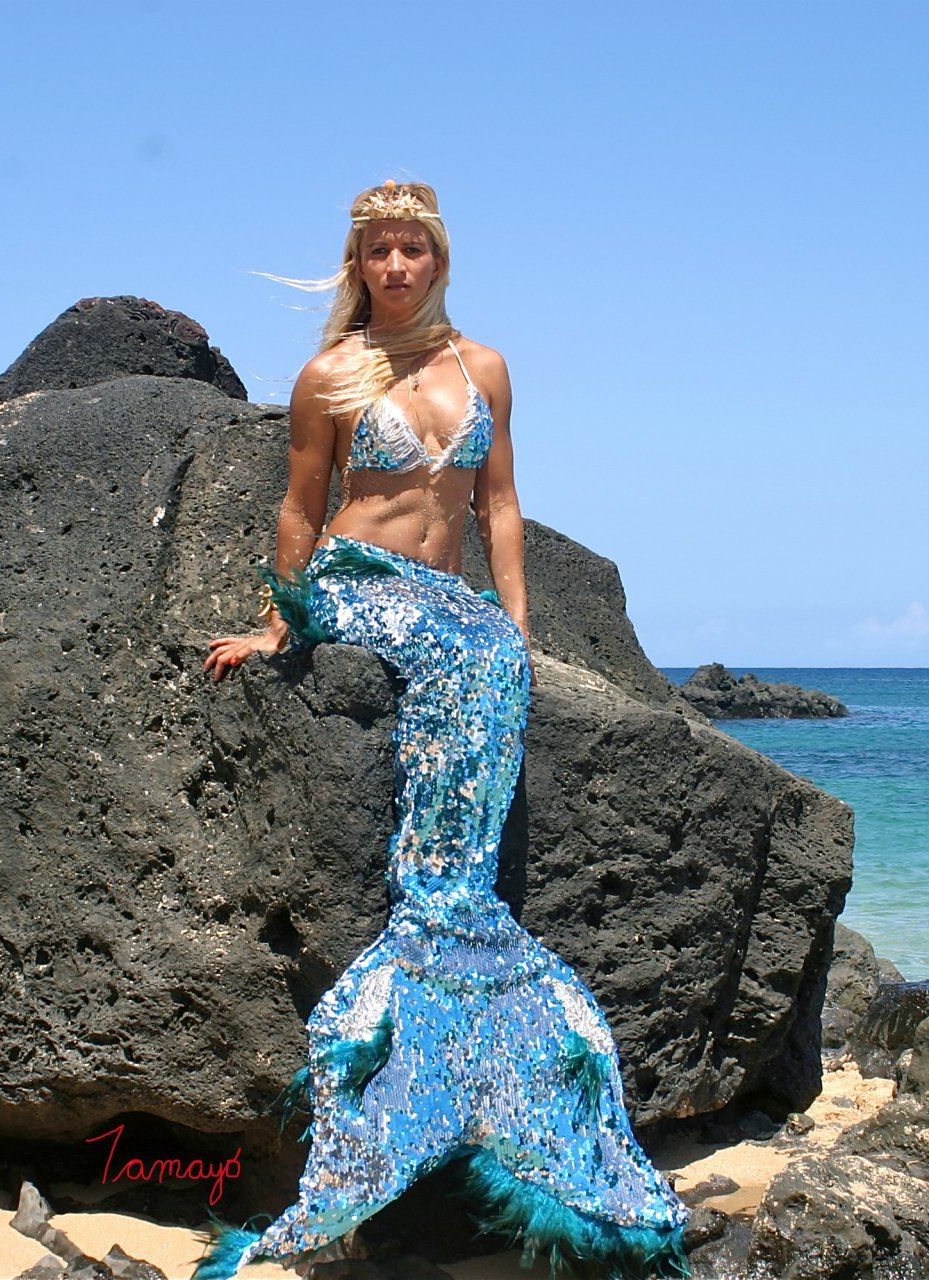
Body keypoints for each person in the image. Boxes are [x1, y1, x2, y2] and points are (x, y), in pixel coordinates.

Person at [195, 180, 691, 1280]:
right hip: (360, 581)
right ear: (358, 265)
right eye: (378, 251)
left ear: (438, 259)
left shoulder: (485, 369)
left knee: (484, 660)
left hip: (452, 602)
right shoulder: (331, 375)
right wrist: (281, 621)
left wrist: (519, 627)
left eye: (412, 249)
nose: (396, 266)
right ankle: (438, 940)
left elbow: (500, 504)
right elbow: (301, 505)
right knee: (459, 657)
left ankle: (458, 960)